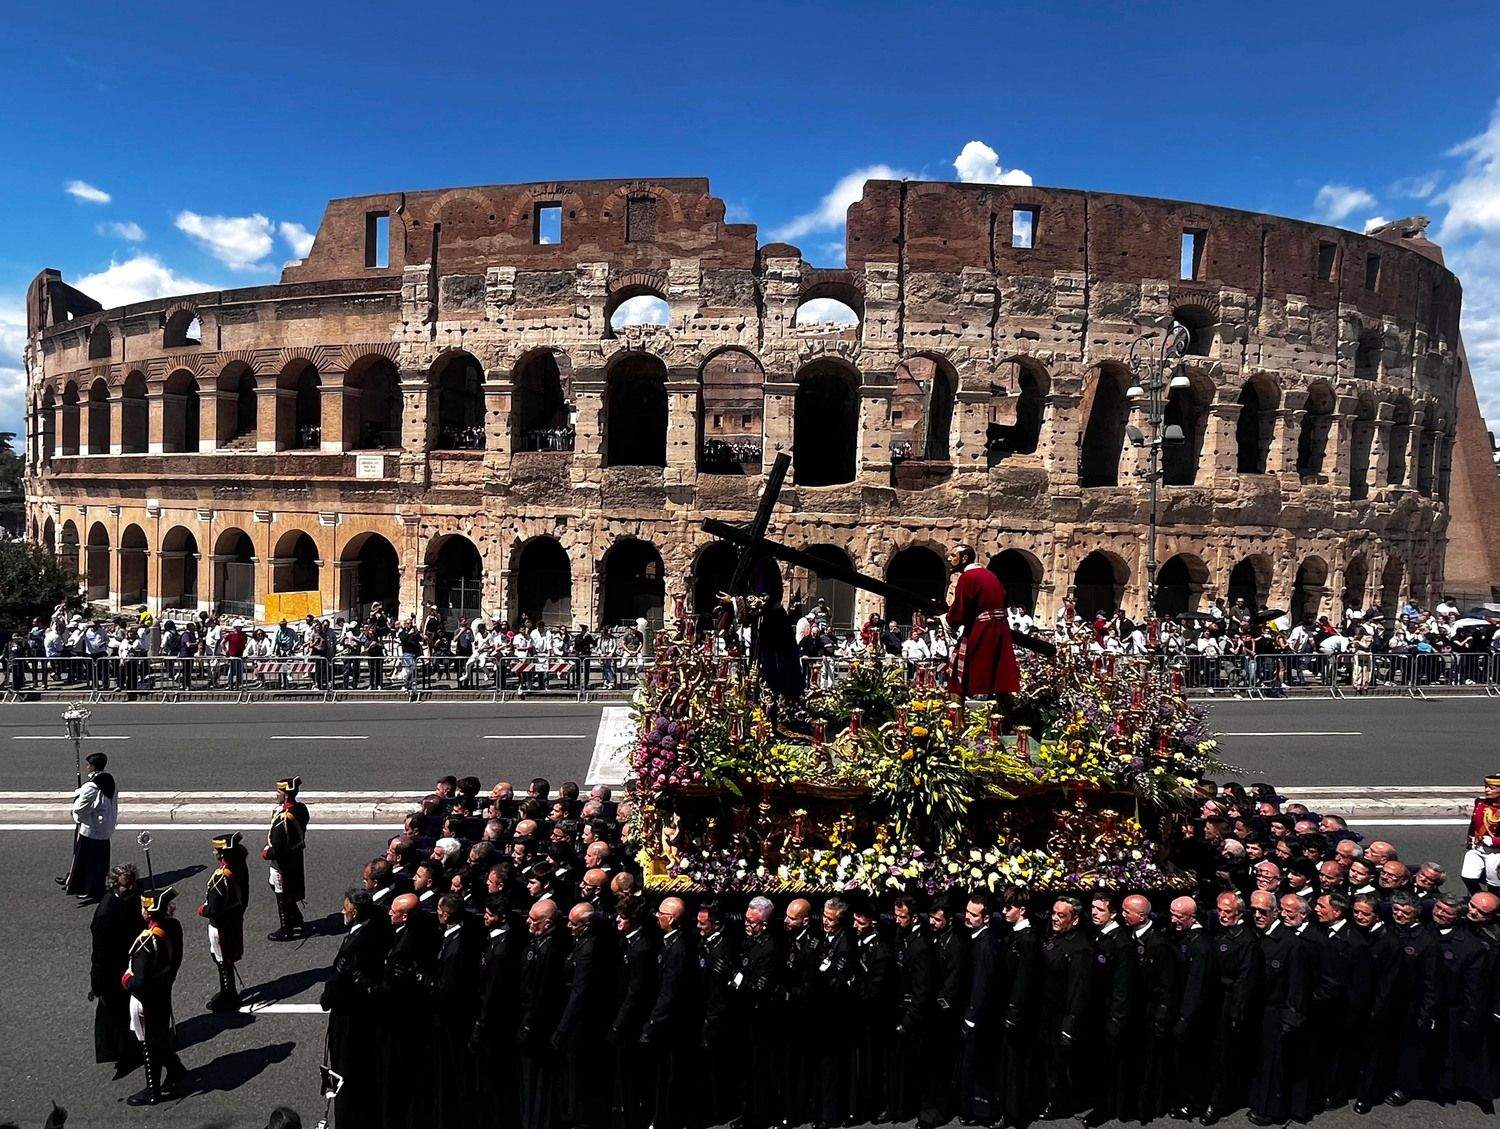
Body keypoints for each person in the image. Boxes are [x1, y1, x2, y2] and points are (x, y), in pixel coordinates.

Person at [320, 888, 389, 1129]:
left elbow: (339, 980)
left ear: (355, 912)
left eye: (346, 908)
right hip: (363, 1013)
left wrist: (326, 998)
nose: (342, 911)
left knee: (344, 1069)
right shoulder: (377, 925)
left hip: (348, 1016)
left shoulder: (355, 944)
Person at [123, 887, 188, 1105]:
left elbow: (139, 981)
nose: (141, 910)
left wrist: (127, 981)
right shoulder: (173, 927)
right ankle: (176, 1069)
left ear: (149, 913)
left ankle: (153, 1089)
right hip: (164, 988)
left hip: (147, 997)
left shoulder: (146, 942)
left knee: (149, 1042)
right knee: (159, 1036)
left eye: (143, 907)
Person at [942, 544, 1020, 698]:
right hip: (1001, 630)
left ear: (964, 558)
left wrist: (946, 619)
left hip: (982, 629)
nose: (950, 560)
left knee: (957, 675)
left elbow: (959, 611)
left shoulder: (967, 578)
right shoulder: (991, 576)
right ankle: (1007, 719)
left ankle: (956, 721)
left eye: (953, 556)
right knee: (999, 678)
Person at [1039, 896, 1092, 1120]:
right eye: (1054, 913)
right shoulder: (1055, 937)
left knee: (1059, 1063)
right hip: (1047, 1010)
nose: (1055, 918)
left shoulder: (1079, 947)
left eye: (1061, 915)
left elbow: (1078, 989)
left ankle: (1059, 1103)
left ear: (1075, 918)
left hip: (1062, 1014)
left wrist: (1069, 1023)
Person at [517, 899, 567, 1129]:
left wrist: (528, 1024)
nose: (529, 922)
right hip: (531, 1018)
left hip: (539, 1025)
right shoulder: (539, 942)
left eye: (534, 920)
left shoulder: (551, 948)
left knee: (539, 1081)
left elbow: (541, 990)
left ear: (547, 923)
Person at [90, 863, 142, 1077]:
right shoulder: (105, 912)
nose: (130, 888)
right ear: (114, 886)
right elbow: (100, 955)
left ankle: (136, 1045)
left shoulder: (132, 898)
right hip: (113, 972)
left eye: (132, 884)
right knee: (117, 1018)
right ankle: (125, 1056)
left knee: (132, 1012)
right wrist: (97, 984)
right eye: (125, 885)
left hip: (132, 962)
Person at [199, 832, 247, 1012]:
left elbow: (214, 909)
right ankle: (228, 991)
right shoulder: (239, 866)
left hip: (221, 924)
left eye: (217, 850)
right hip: (234, 918)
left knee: (222, 959)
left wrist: (203, 909)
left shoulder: (221, 878)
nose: (214, 853)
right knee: (225, 956)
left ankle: (229, 994)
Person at [64, 752, 118, 903]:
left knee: (86, 862)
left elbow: (81, 809)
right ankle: (99, 886)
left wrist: (78, 817)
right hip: (105, 829)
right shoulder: (110, 781)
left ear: (93, 766)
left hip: (91, 830)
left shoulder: (91, 786)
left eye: (88, 764)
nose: (86, 767)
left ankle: (86, 888)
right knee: (100, 861)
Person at [264, 775, 309, 941]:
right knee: (277, 885)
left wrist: (266, 853)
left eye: (279, 791)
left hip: (283, 861)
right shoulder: (301, 809)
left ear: (286, 794)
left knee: (281, 892)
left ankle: (287, 927)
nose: (276, 794)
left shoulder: (284, 818)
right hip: (295, 854)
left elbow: (277, 849)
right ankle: (295, 917)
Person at [1462, 774, 1500, 894]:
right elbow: (1474, 823)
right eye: (1486, 787)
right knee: (1468, 876)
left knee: (1494, 885)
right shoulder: (1480, 802)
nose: (1487, 790)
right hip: (1477, 846)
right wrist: (1470, 838)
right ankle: (1479, 899)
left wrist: (1494, 841)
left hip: (1495, 851)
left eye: (1492, 788)